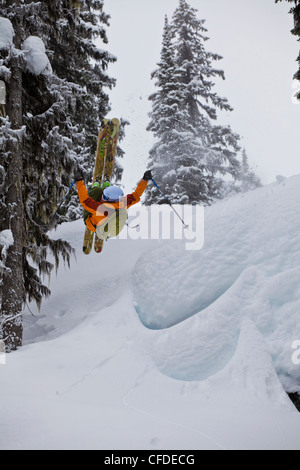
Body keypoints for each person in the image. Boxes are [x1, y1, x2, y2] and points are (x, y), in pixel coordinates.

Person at [74, 170, 152, 236]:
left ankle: (96, 186)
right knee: (101, 193)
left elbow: (84, 200)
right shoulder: (122, 204)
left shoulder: (98, 208)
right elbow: (136, 195)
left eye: (104, 197)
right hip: (111, 228)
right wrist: (145, 180)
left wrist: (79, 181)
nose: (103, 198)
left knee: (96, 192)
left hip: (94, 226)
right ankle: (106, 186)